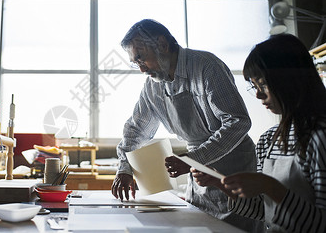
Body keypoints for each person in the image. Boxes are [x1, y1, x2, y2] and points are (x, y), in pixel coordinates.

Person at [111, 19, 260, 231]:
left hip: (233, 168)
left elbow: (238, 122)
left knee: (235, 228)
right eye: (136, 63)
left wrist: (193, 160)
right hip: (197, 175)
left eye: (141, 58)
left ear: (162, 44)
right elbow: (136, 130)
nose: (142, 69)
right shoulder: (153, 87)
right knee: (199, 227)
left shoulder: (207, 67)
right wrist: (124, 168)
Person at [192, 33, 326, 232]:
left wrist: (270, 186)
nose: (258, 94)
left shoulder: (320, 137)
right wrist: (222, 184)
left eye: (263, 84)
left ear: (289, 78)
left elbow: (322, 223)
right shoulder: (268, 140)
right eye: (254, 86)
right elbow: (264, 211)